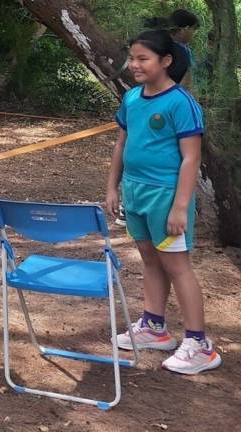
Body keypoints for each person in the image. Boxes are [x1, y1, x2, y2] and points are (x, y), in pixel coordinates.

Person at [107, 29, 220, 374]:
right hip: (135, 193)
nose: (134, 65)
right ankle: (154, 327)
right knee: (150, 260)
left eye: (143, 58)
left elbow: (190, 159)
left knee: (176, 265)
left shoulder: (181, 103)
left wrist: (180, 206)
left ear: (166, 61)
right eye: (132, 58)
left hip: (166, 197)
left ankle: (200, 344)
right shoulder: (132, 99)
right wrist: (112, 188)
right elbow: (122, 144)